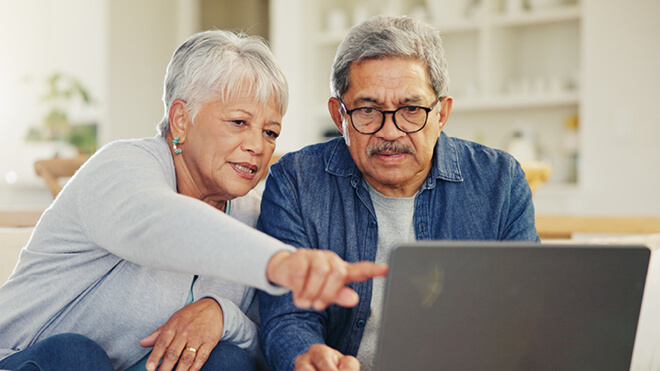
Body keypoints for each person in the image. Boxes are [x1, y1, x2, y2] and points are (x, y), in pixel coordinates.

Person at [0, 30, 387, 371]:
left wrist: (222, 314)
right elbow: (158, 225)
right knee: (75, 354)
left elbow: (265, 337)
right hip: (28, 358)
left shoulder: (252, 215)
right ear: (181, 119)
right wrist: (280, 262)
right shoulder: (120, 167)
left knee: (228, 359)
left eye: (270, 132)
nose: (257, 146)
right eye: (238, 122)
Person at [257, 15, 540, 371]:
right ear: (339, 116)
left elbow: (522, 314)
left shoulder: (500, 181)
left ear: (442, 113)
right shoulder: (295, 181)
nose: (390, 132)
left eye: (410, 110)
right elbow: (287, 316)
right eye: (368, 110)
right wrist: (306, 355)